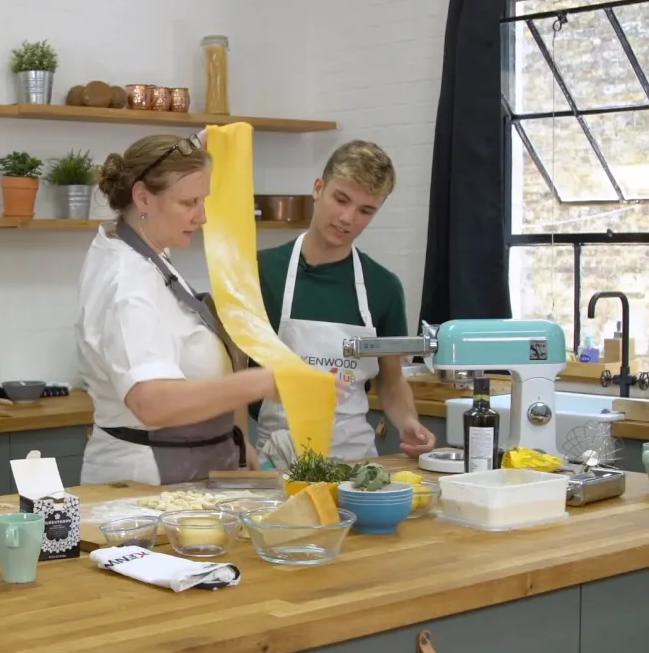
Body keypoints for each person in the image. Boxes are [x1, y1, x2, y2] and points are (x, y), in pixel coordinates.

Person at [75, 132, 277, 486]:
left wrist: (197, 143)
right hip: (145, 481)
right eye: (189, 202)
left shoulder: (144, 248)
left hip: (192, 466)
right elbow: (151, 403)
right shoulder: (128, 284)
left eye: (203, 200)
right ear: (142, 197)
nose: (202, 216)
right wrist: (259, 383)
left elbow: (162, 171)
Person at [255, 140, 436, 461]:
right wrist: (238, 451)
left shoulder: (384, 287)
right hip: (278, 458)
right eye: (341, 199)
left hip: (354, 458)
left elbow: (391, 380)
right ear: (318, 188)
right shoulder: (261, 272)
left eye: (366, 210)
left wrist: (408, 421)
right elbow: (231, 373)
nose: (348, 218)